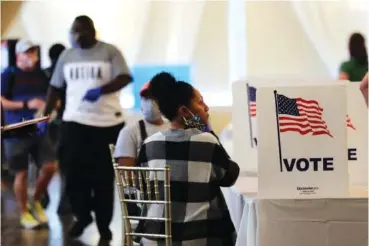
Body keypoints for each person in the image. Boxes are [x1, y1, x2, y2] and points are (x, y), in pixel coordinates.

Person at [43, 15, 132, 241]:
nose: (78, 36)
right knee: (72, 174)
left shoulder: (109, 51)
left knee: (102, 178)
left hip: (107, 124)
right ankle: (82, 216)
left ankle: (104, 226)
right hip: (74, 121)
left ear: (93, 32)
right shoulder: (67, 55)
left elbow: (124, 77)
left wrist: (101, 89)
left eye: (82, 32)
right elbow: (54, 87)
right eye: (75, 32)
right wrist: (45, 114)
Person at [136, 72, 239, 245]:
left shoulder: (149, 144)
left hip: (155, 237)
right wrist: (206, 129)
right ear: (184, 111)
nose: (206, 107)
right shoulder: (206, 141)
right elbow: (230, 176)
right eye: (200, 102)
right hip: (197, 238)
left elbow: (142, 189)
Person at [1, 40, 57, 229]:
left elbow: (50, 95)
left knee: (50, 166)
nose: (31, 55)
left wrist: (50, 107)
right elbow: (2, 100)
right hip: (16, 128)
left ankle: (36, 199)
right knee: (21, 172)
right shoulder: (9, 75)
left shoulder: (41, 74)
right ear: (18, 55)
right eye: (27, 52)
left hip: (39, 127)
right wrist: (26, 104)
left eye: (33, 51)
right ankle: (24, 212)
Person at [113, 81, 170, 216]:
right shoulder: (131, 132)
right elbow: (126, 176)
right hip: (148, 197)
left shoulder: (175, 127)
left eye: (155, 98)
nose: (150, 102)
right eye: (146, 98)